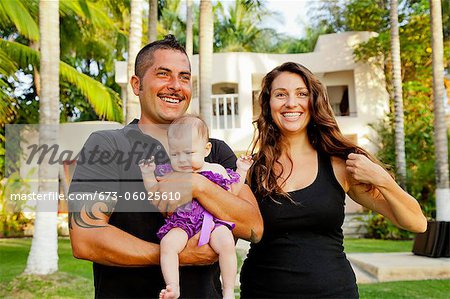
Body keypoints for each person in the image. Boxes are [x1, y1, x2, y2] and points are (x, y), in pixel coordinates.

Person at [68, 35, 263, 299]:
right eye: (163, 74)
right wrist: (177, 255)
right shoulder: (107, 145)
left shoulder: (214, 151)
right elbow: (85, 239)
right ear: (136, 85)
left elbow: (254, 227)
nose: (175, 86)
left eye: (184, 77)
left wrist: (198, 184)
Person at [239, 62, 427, 298]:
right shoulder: (252, 170)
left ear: (313, 101)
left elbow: (417, 223)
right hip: (262, 291)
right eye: (280, 95)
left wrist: (383, 180)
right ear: (268, 104)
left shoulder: (340, 166)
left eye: (301, 94)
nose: (291, 103)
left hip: (334, 292)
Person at [139, 115, 253, 299]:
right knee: (168, 244)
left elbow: (232, 193)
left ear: (206, 149)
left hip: (213, 221)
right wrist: (147, 174)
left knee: (226, 242)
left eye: (189, 153)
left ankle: (229, 291)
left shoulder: (216, 169)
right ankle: (173, 287)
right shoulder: (169, 172)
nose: (182, 159)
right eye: (175, 154)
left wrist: (241, 170)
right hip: (183, 222)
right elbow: (154, 193)